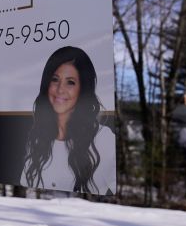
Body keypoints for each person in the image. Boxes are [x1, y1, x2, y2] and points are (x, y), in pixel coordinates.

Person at [21, 46, 116, 194]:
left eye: (70, 82)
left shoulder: (103, 139)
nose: (60, 89)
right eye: (55, 79)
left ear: (83, 89)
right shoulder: (37, 139)